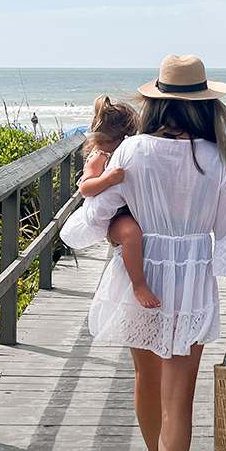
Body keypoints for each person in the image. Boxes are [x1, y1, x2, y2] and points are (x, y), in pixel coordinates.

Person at [61, 54, 226, 451]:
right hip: (192, 281)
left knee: (145, 377)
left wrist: (103, 203)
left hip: (141, 277)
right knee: (179, 397)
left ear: (157, 102)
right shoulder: (218, 160)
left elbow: (86, 224)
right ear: (205, 107)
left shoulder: (130, 151)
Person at [76, 96, 160, 309]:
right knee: (132, 234)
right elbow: (85, 188)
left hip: (131, 208)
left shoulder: (129, 152)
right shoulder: (100, 156)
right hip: (115, 216)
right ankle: (139, 284)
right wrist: (107, 179)